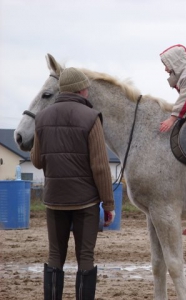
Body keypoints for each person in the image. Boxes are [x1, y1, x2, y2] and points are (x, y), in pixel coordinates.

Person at [30, 67, 115, 300]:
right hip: (85, 203)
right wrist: (108, 204)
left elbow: (37, 161)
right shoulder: (91, 117)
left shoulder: (42, 118)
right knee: (85, 256)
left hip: (54, 200)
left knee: (55, 255)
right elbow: (100, 166)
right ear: (81, 89)